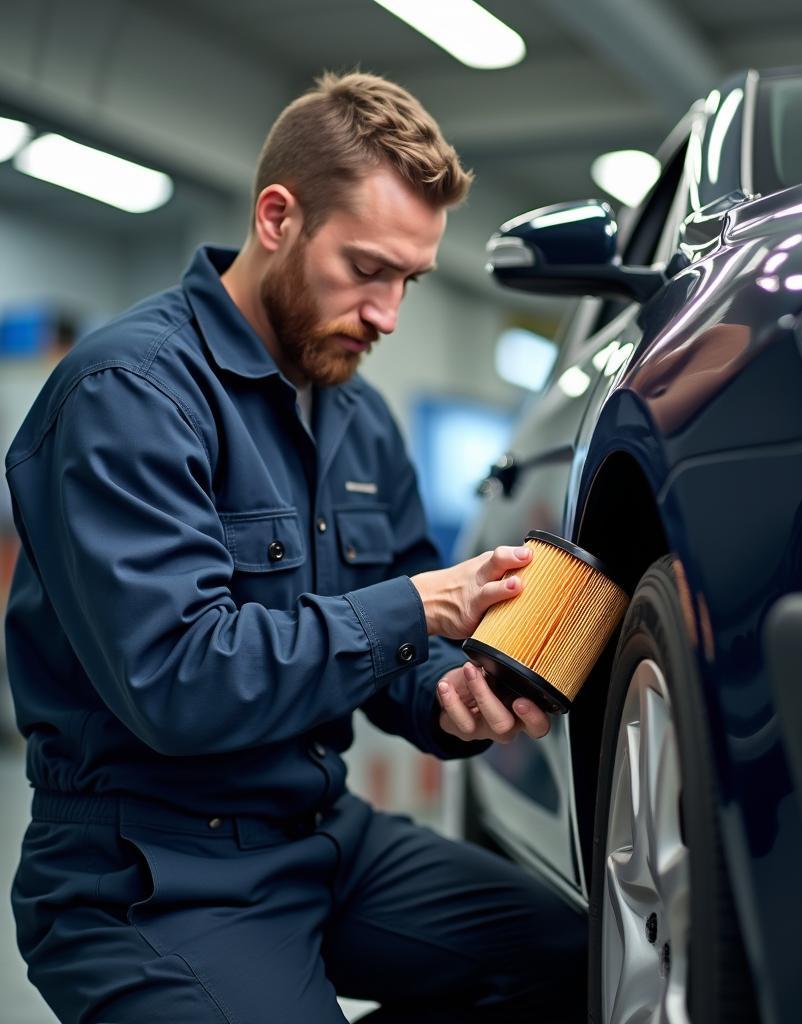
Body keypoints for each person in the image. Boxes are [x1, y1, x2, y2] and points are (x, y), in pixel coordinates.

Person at [4, 71, 586, 1023]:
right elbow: (179, 681)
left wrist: (448, 695)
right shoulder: (132, 395)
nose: (389, 313)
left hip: (319, 835)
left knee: (568, 966)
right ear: (277, 216)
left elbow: (395, 651)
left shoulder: (357, 420)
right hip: (147, 870)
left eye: (409, 279)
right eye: (365, 268)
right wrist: (419, 607)